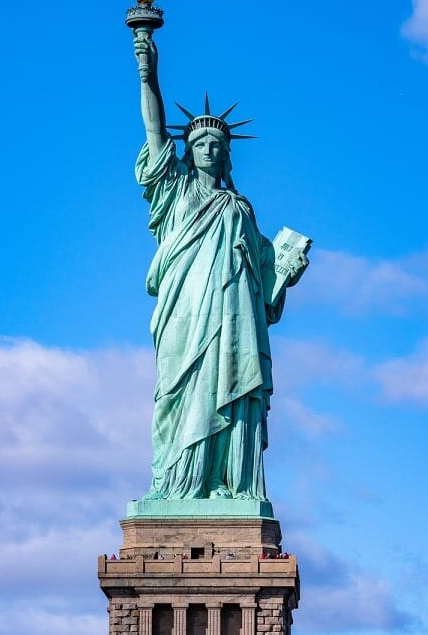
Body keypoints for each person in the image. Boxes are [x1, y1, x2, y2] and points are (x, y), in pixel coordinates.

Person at [131, 26, 308, 502]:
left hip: (234, 320)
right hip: (185, 314)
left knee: (229, 387)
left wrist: (285, 274)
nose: (208, 148)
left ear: (227, 154)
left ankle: (229, 483)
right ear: (187, 152)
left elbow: (265, 285)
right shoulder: (175, 193)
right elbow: (153, 129)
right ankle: (177, 485)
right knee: (178, 393)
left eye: (217, 144)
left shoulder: (240, 209)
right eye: (200, 143)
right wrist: (148, 73)